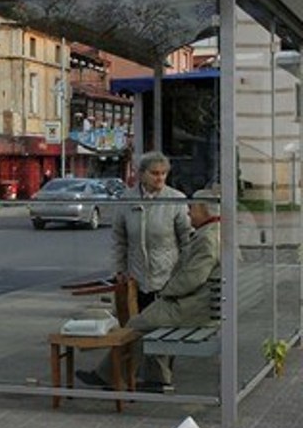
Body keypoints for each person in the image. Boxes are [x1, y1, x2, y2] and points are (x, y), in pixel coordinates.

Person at [77, 188, 221, 390]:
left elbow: (193, 278)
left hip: (194, 308)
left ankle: (111, 376)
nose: (188, 213)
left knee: (137, 323)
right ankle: (154, 379)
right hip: (205, 304)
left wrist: (166, 292)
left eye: (192, 208)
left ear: (206, 211)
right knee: (153, 320)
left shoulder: (207, 238)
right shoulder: (216, 232)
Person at [110, 150, 191, 384]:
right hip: (137, 276)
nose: (160, 178)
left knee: (162, 327)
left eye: (164, 174)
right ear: (141, 174)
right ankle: (143, 375)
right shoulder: (127, 200)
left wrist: (182, 273)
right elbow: (119, 238)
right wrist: (119, 270)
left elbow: (186, 238)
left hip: (167, 276)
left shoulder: (175, 199)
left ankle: (160, 378)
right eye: (155, 173)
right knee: (138, 326)